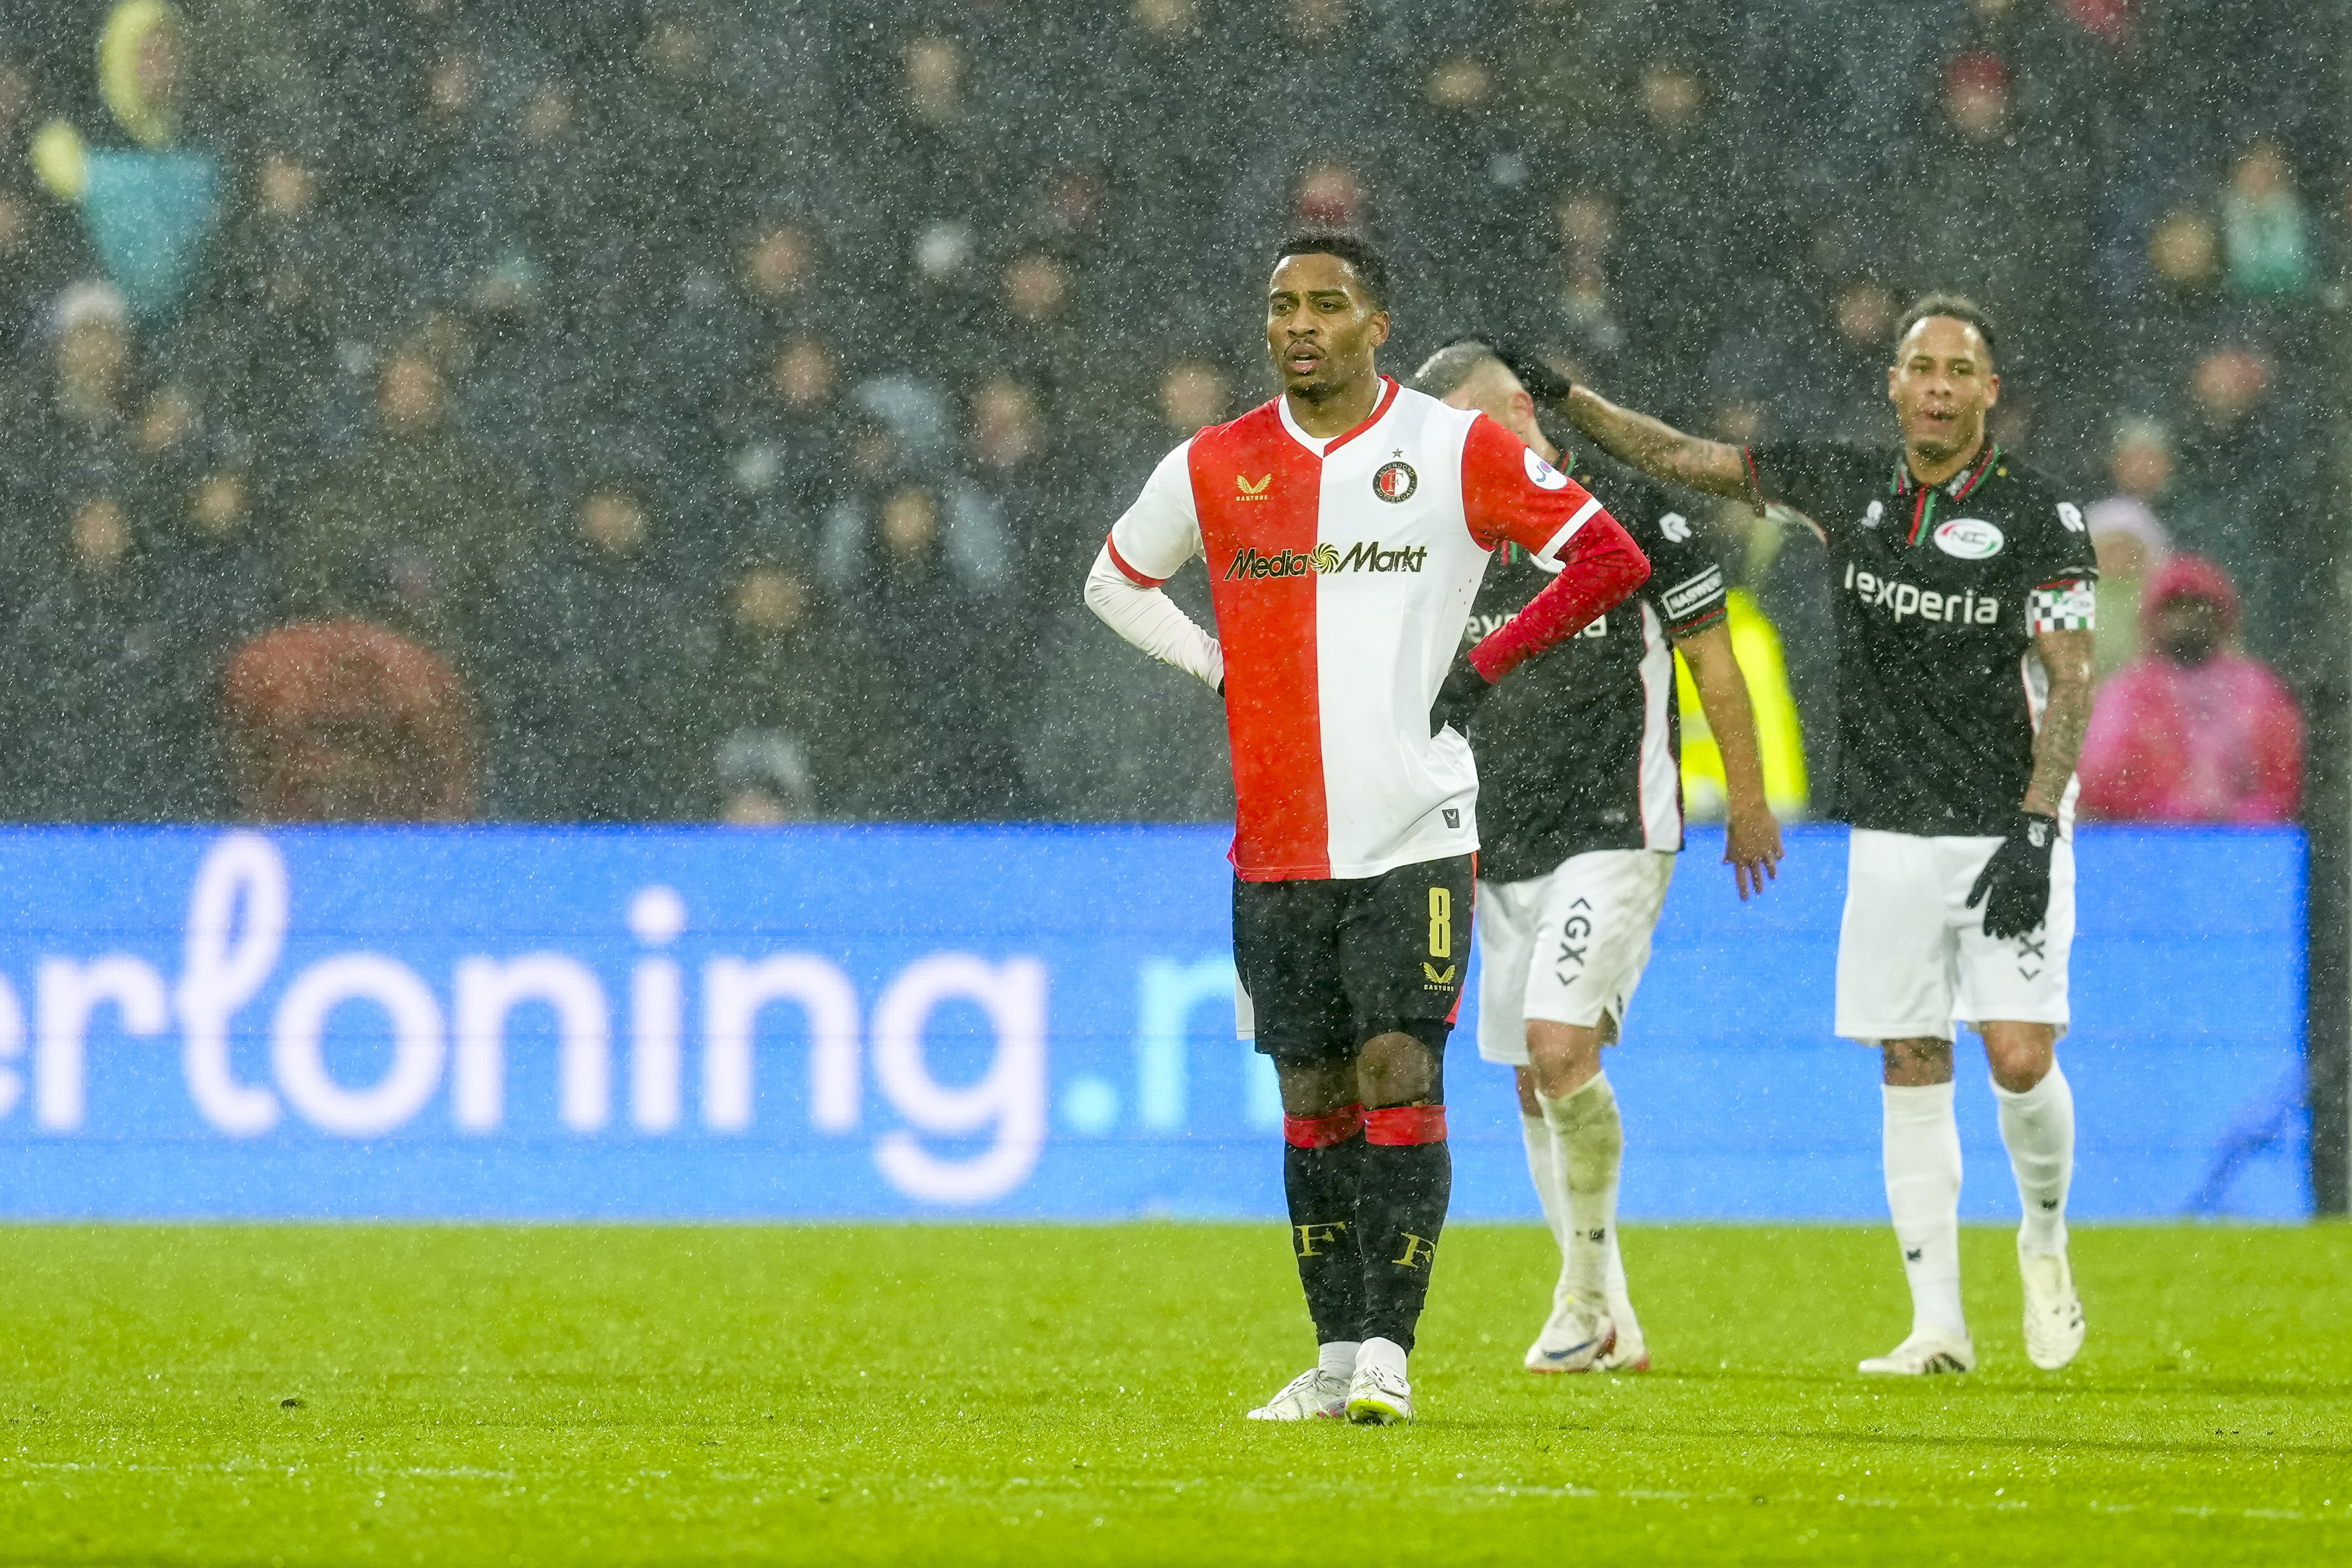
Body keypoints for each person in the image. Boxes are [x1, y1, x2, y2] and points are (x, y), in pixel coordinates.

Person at [1085, 232, 1650, 1423]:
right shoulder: (1215, 462)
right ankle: (1334, 1356)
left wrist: (1486, 663)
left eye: (1326, 304)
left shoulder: (1448, 449)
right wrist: (1212, 663)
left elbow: (1606, 554)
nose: (1299, 324)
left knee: (1400, 1069)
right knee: (1311, 1097)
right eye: (1281, 304)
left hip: (1413, 826)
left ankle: (1391, 1351)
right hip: (1278, 841)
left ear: (1374, 325)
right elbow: (1114, 578)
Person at [1554, 295, 2096, 1377]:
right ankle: (1936, 1326)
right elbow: (1679, 455)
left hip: (2003, 823)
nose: (1937, 386)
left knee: (2019, 1052)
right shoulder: (1843, 488)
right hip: (1890, 826)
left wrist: (2037, 827)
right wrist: (1559, 396)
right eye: (1919, 367)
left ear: (1988, 392)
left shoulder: (2043, 516)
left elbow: (2073, 676)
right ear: (1892, 385)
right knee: (1908, 1054)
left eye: (1958, 370)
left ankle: (2042, 1238)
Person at [1411, 340, 1783, 1375]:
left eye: (1478, 428)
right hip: (1500, 841)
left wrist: (1744, 801)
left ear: (1521, 413)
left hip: (1617, 826)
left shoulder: (1631, 514)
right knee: (1534, 1077)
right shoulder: (1448, 537)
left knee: (1559, 1046)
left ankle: (1578, 1299)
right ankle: (1603, 1314)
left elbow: (1709, 656)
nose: (1465, 452)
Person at [2078, 555, 2302, 824]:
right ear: (2151, 620)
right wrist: (2160, 810)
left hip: (2244, 847)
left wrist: (2245, 815)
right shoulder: (2124, 694)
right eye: (2174, 609)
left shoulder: (2260, 691)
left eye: (2198, 607)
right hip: (2145, 846)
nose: (2185, 620)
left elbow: (2282, 779)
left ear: (2224, 618)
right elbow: (2098, 781)